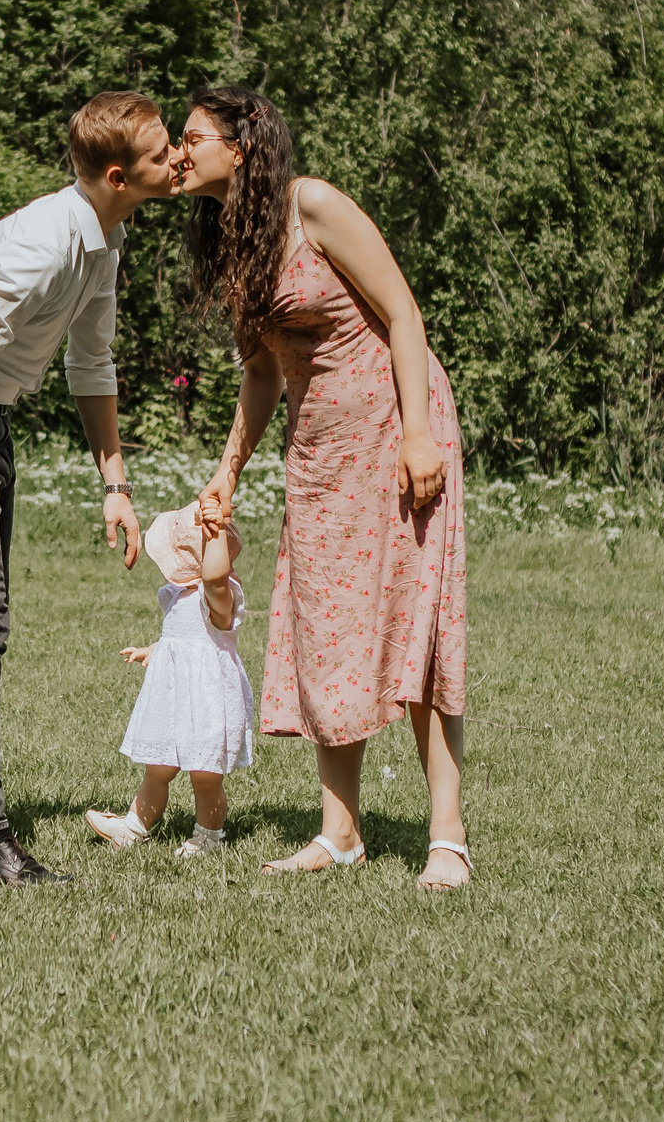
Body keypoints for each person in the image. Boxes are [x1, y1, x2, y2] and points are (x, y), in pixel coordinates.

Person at [0, 90, 181, 884]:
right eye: (162, 151)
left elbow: (92, 364)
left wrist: (114, 483)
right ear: (118, 174)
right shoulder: (43, 244)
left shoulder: (104, 240)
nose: (179, 156)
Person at [183, 86, 475, 890]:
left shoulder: (311, 205)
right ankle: (339, 832)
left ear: (239, 147)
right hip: (319, 453)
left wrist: (419, 433)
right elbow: (260, 371)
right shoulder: (231, 239)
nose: (179, 152)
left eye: (192, 137)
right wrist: (227, 470)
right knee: (326, 625)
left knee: (417, 625)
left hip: (394, 431)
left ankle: (446, 839)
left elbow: (404, 313)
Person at [84, 501, 254, 859]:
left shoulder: (219, 596)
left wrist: (215, 533)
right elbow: (183, 640)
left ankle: (209, 834)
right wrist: (155, 649)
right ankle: (134, 826)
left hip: (208, 702)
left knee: (205, 775)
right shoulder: (180, 595)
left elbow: (214, 579)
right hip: (174, 698)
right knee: (157, 768)